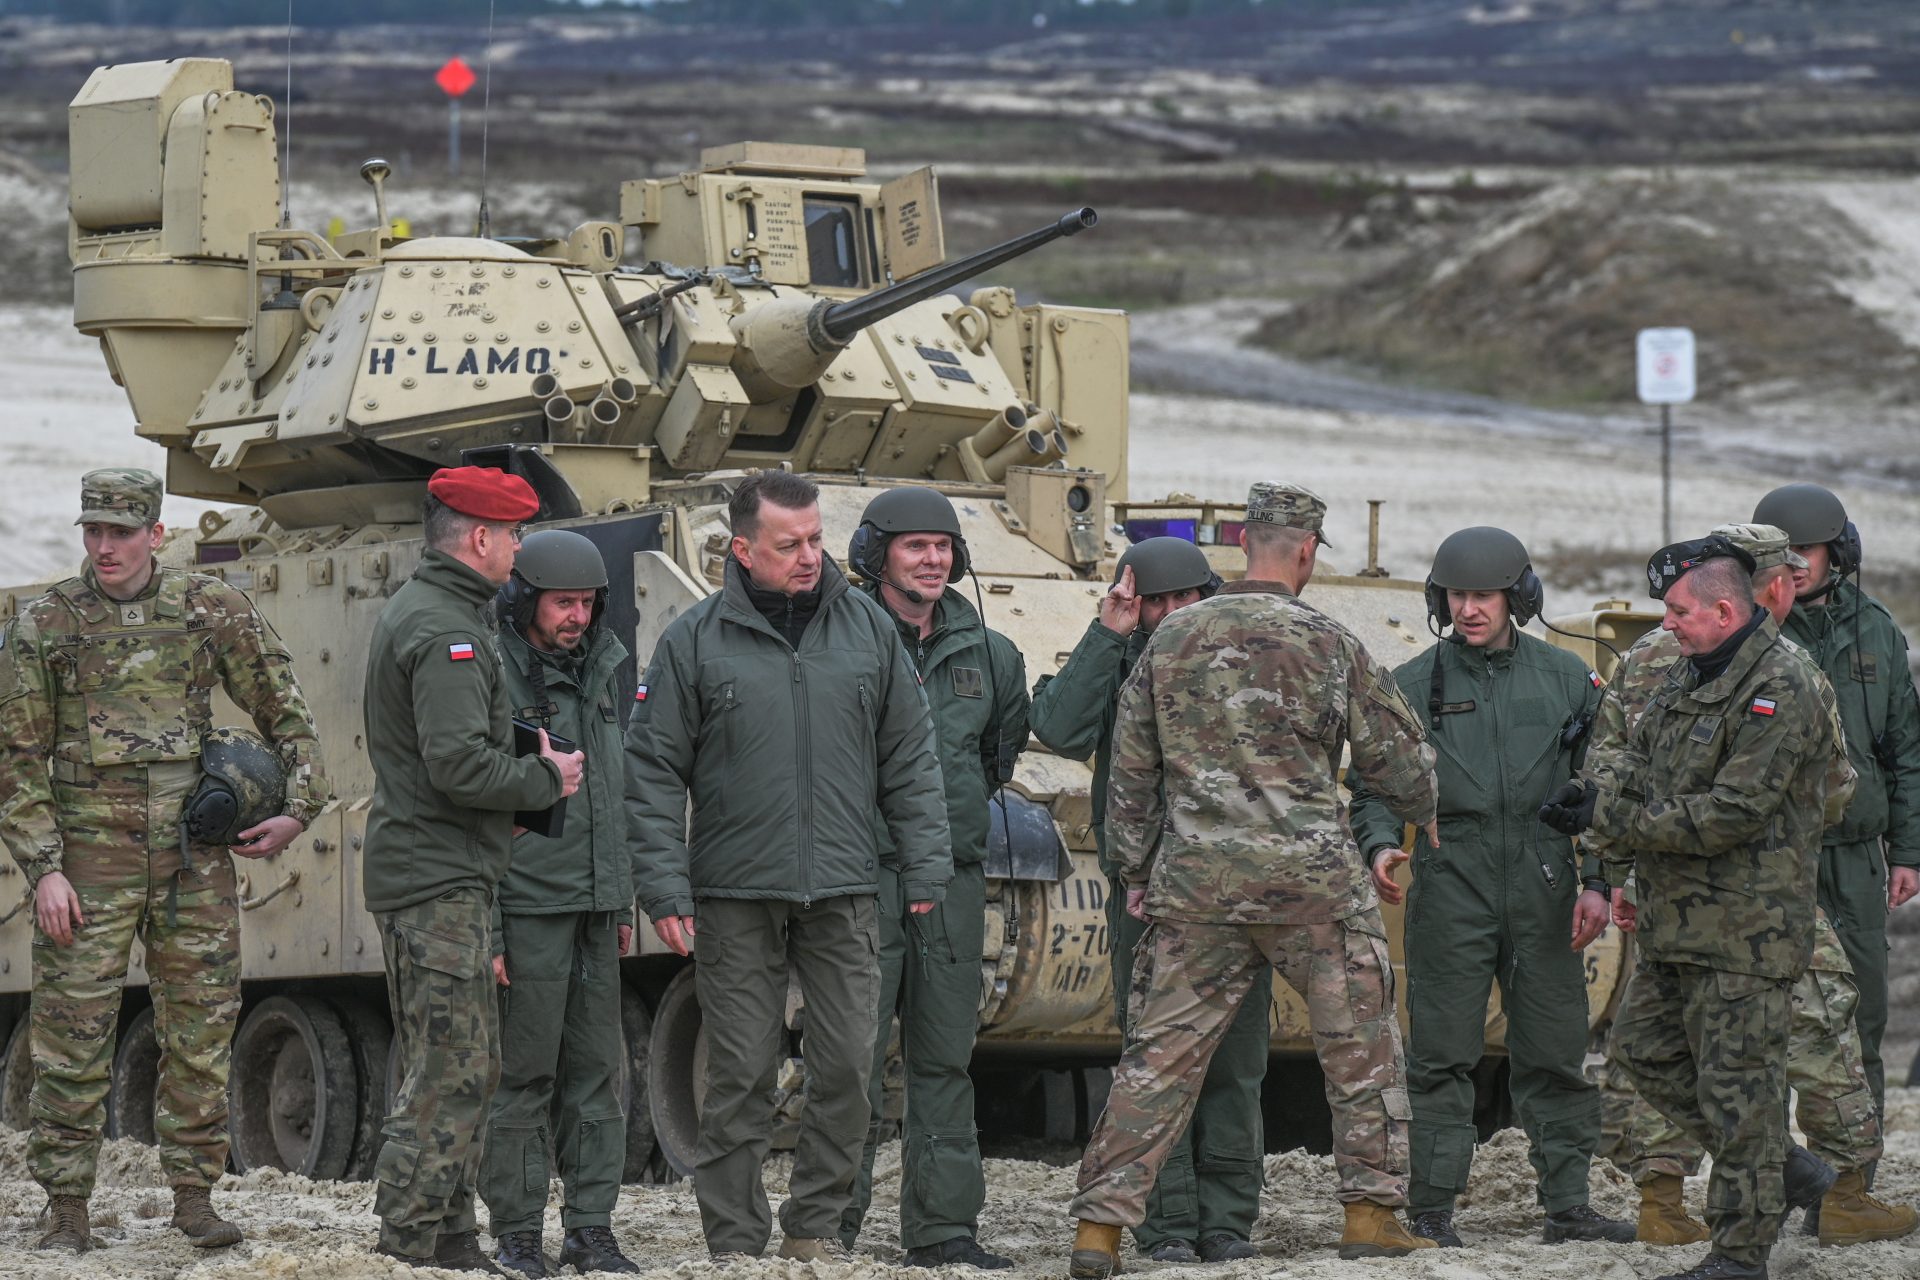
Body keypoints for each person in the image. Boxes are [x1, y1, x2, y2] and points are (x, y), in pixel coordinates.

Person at [1067, 482, 1442, 1278]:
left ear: (1245, 545)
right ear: (1305, 551)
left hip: (1198, 890)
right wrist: (1421, 807)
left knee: (1157, 1061)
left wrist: (1135, 870)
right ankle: (1371, 1215)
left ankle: (1099, 1230)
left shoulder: (1170, 641)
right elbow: (1399, 761)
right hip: (1315, 893)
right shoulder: (1332, 643)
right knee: (1361, 1053)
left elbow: (1130, 771)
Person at [625, 470, 951, 1262]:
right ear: (742, 549)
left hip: (843, 887)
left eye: (815, 540)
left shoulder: (866, 631)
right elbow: (654, 770)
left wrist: (926, 864)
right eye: (789, 544)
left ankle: (813, 1233)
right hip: (735, 892)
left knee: (847, 1069)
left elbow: (909, 752)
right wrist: (664, 885)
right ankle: (736, 1245)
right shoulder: (695, 641)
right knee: (739, 1076)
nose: (810, 557)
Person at [0, 467, 328, 1253]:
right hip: (87, 856)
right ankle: (67, 1208)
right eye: (93, 531)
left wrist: (298, 808)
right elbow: (15, 757)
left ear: (153, 532)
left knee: (202, 1029)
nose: (104, 546)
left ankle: (193, 1196)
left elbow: (288, 710)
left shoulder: (210, 608)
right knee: (72, 1036)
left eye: (120, 531)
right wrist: (43, 867)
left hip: (191, 856)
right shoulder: (45, 624)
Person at [1596, 524, 1915, 1248]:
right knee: (1814, 1029)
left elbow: (1612, 768)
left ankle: (1678, 1202)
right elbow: (1833, 788)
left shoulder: (1712, 665)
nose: (1671, 624)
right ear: (1767, 587)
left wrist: (1615, 851)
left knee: (1709, 1053)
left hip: (1704, 890)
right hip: (1739, 894)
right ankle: (1834, 1187)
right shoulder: (1751, 663)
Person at [1541, 534, 1842, 1280]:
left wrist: (1613, 824)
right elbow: (1641, 763)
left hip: (1746, 927)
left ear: (1725, 608)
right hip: (1677, 922)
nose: (1666, 622)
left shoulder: (1783, 683)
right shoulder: (1686, 675)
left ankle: (1740, 1255)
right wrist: (1594, 796)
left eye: (1677, 611)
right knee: (1643, 1053)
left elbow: (1732, 812)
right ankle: (1781, 1167)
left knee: (1741, 1092)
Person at [1348, 527, 1629, 1248]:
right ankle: (1433, 1208)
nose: (1470, 608)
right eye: (1458, 595)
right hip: (1452, 878)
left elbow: (1605, 789)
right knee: (1440, 1054)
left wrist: (1598, 882)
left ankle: (1568, 1204)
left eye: (1484, 595)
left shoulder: (1567, 678)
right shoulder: (1410, 684)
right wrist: (1382, 844)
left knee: (1556, 1052)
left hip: (1545, 879)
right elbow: (1374, 785)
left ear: (1518, 597)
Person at [363, 466, 585, 1275]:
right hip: (436, 874)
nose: (521, 549)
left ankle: (451, 1238)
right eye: (515, 535)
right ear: (482, 538)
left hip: (438, 868)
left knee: (455, 1061)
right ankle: (410, 1243)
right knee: (453, 1072)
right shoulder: (446, 630)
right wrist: (545, 780)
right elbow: (457, 765)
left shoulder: (442, 610)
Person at [1031, 536, 1270, 1265]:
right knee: (1155, 1064)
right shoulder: (1117, 667)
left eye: (1181, 599)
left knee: (1235, 1060)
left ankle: (1227, 1220)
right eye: (1153, 602)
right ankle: (1166, 1220)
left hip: (1234, 892)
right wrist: (1108, 632)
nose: (1167, 614)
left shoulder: (1246, 665)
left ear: (1208, 596)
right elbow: (1060, 729)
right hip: (1143, 895)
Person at [836, 486, 1030, 1268]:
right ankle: (828, 1228)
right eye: (915, 546)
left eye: (944, 546)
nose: (934, 559)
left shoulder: (992, 655)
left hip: (950, 880)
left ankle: (944, 1231)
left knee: (945, 1058)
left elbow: (996, 757)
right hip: (861, 879)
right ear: (874, 554)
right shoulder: (837, 638)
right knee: (846, 1056)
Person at [481, 529, 641, 1278]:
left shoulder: (602, 670)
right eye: (561, 603)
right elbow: (475, 810)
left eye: (586, 603)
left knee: (595, 1074)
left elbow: (614, 792)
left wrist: (620, 896)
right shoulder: (494, 673)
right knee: (525, 1076)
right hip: (529, 905)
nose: (575, 617)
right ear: (523, 600)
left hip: (594, 906)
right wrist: (491, 926)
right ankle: (516, 1233)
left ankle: (590, 1229)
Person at [1751, 483, 1920, 1152]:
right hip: (1763, 858)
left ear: (1838, 552)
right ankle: (1777, 1174)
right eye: (1780, 551)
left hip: (1852, 856)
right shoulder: (1744, 629)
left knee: (1860, 1021)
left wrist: (1907, 850)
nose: (1794, 563)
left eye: (1807, 551)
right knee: (1763, 1027)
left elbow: (1905, 747)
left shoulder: (1874, 626)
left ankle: (1854, 1179)